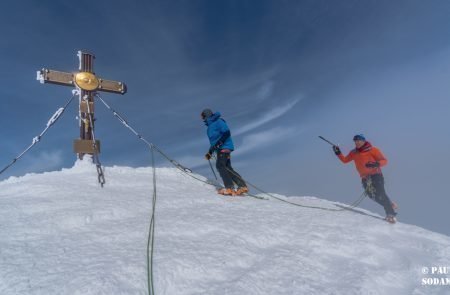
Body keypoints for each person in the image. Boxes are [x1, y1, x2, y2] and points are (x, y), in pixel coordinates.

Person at [333, 134, 398, 223]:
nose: (357, 142)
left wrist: (376, 164)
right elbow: (345, 160)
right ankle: (389, 204)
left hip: (376, 175)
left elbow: (384, 160)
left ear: (364, 141)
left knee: (381, 193)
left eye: (359, 140)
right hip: (365, 178)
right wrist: (338, 153)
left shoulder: (373, 150)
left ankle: (390, 214)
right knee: (372, 196)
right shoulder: (354, 152)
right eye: (355, 141)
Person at [201, 108, 248, 196]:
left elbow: (226, 133)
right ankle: (242, 186)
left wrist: (219, 144)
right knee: (227, 167)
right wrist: (210, 153)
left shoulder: (218, 122)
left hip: (224, 147)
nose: (202, 118)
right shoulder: (210, 127)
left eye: (203, 116)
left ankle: (229, 187)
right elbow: (214, 143)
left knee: (220, 165)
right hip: (220, 148)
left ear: (206, 115)